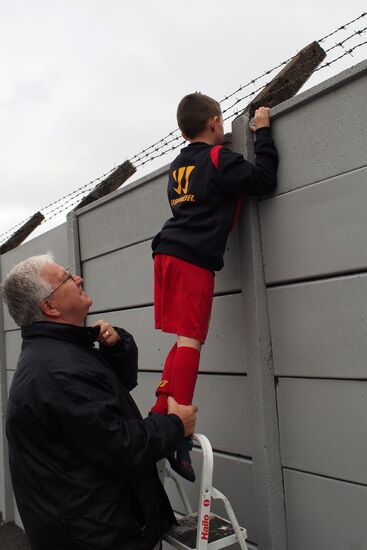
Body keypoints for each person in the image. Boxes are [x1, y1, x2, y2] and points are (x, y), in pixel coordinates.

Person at [2, 254, 197, 550]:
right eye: (66, 278)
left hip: (93, 522)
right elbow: (119, 445)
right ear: (51, 307)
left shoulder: (62, 352)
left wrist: (118, 346)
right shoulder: (58, 372)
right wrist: (174, 424)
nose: (78, 278)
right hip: (95, 536)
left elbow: (113, 391)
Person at [150, 92, 278, 482]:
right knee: (191, 340)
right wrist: (262, 133)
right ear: (216, 123)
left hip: (166, 254)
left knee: (180, 339)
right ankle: (177, 435)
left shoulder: (178, 165)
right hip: (192, 258)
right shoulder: (220, 158)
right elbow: (263, 181)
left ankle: (159, 412)